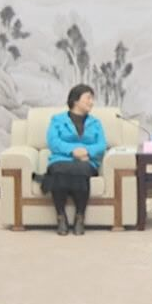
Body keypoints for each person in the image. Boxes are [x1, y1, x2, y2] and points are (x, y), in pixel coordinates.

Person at [42, 84, 105, 235]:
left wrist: (86, 151)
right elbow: (53, 141)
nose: (91, 102)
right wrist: (73, 151)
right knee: (59, 171)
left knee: (81, 170)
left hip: (86, 161)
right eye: (88, 98)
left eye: (92, 99)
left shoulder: (96, 123)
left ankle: (80, 217)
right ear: (76, 100)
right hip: (61, 159)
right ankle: (61, 217)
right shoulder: (57, 120)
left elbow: (101, 145)